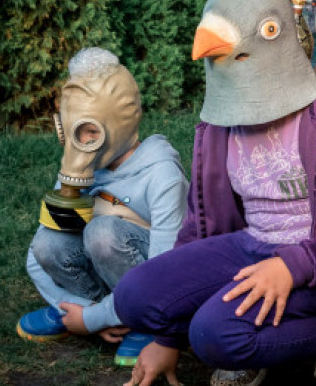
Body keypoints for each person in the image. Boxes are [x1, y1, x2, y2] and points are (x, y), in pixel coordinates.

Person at [113, 0, 316, 386]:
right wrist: (167, 338)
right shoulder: (219, 127)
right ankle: (256, 328)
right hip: (250, 247)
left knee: (214, 336)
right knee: (134, 296)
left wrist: (292, 266)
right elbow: (200, 222)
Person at [17, 49, 188, 367]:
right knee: (48, 242)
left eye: (91, 131)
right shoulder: (82, 169)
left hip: (155, 280)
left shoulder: (162, 175)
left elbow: (167, 270)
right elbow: (37, 256)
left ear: (119, 123)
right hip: (103, 289)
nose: (80, 142)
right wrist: (85, 312)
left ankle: (142, 321)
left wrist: (93, 320)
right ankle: (88, 311)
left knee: (102, 232)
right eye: (71, 130)